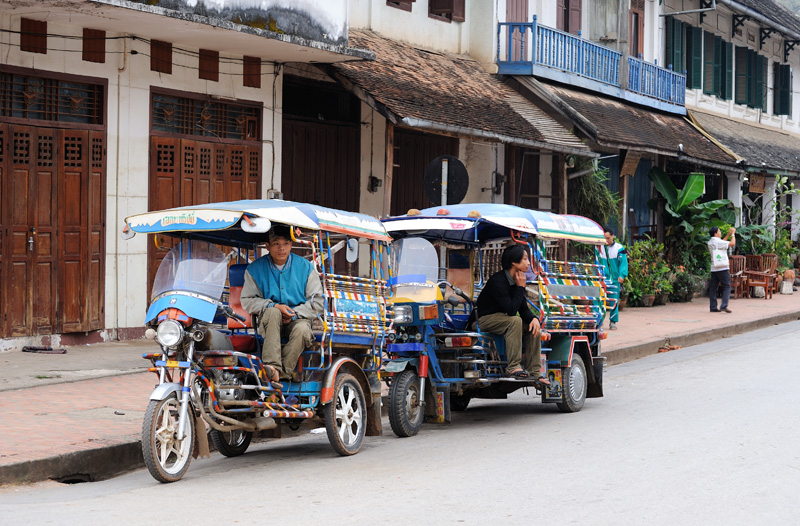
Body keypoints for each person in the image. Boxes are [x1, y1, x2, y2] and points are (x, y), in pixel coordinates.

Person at [241, 225, 323, 382]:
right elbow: (247, 301)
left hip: (299, 318)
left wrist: (293, 315)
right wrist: (273, 306)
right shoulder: (254, 269)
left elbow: (317, 302)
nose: (281, 248)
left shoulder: (306, 267)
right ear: (267, 246)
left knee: (303, 331)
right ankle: (271, 366)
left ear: (291, 245)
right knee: (273, 312)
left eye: (286, 243)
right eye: (276, 243)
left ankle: (279, 374)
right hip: (269, 320)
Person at [476, 245, 549, 385]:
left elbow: (522, 308)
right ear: (514, 263)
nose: (528, 263)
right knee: (515, 321)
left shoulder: (516, 280)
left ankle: (535, 372)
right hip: (483, 319)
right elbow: (511, 310)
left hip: (502, 320)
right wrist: (520, 287)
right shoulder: (498, 281)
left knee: (532, 326)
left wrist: (533, 319)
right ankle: (513, 367)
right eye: (526, 259)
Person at [599, 229, 628, 330]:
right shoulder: (599, 247)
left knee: (614, 301)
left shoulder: (619, 248)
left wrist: (622, 275)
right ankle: (598, 321)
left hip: (614, 279)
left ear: (613, 236)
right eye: (605, 238)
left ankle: (613, 321)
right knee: (598, 301)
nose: (606, 240)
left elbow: (623, 263)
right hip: (601, 278)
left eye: (608, 238)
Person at [708, 226, 735, 313]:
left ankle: (713, 307)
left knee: (713, 288)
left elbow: (722, 242)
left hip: (714, 268)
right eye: (719, 231)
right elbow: (732, 243)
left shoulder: (710, 242)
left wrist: (728, 234)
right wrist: (733, 234)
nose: (720, 232)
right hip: (722, 267)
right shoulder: (719, 242)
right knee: (727, 286)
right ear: (715, 233)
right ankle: (724, 305)